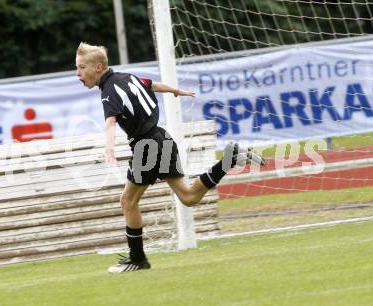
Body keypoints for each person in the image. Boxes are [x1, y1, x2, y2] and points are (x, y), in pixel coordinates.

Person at [75, 42, 265, 273]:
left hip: (146, 147)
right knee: (188, 197)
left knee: (128, 202)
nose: (78, 73)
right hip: (161, 138)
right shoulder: (129, 77)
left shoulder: (108, 92)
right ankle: (229, 160)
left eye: (81, 68)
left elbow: (110, 122)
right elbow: (152, 85)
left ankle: (137, 259)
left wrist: (109, 148)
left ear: (98, 67)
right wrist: (176, 91)